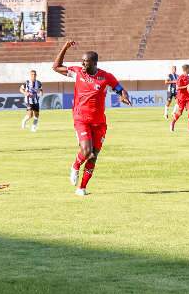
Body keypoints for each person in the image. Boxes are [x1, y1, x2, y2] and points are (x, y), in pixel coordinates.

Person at [52, 40, 131, 196]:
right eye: (82, 61)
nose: (82, 64)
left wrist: (124, 97)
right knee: (87, 151)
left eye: (85, 61)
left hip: (99, 122)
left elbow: (120, 89)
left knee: (93, 156)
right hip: (81, 118)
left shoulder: (106, 77)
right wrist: (64, 48)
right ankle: (75, 166)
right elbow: (55, 67)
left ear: (94, 63)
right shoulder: (77, 72)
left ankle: (81, 188)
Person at [170, 64, 189, 132]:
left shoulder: (188, 77)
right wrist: (186, 86)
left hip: (188, 97)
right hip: (181, 98)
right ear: (186, 69)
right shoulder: (180, 77)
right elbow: (178, 88)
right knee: (179, 113)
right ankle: (172, 123)